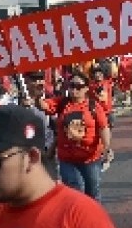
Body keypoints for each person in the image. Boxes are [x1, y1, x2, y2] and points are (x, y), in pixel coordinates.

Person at [38, 71, 110, 202]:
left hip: (90, 159)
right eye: (71, 86)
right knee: (75, 191)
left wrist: (106, 148)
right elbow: (44, 105)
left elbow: (104, 128)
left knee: (92, 193)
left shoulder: (93, 106)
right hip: (67, 159)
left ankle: (93, 219)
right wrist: (37, 94)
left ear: (86, 88)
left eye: (78, 86)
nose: (74, 90)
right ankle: (78, 219)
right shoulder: (62, 103)